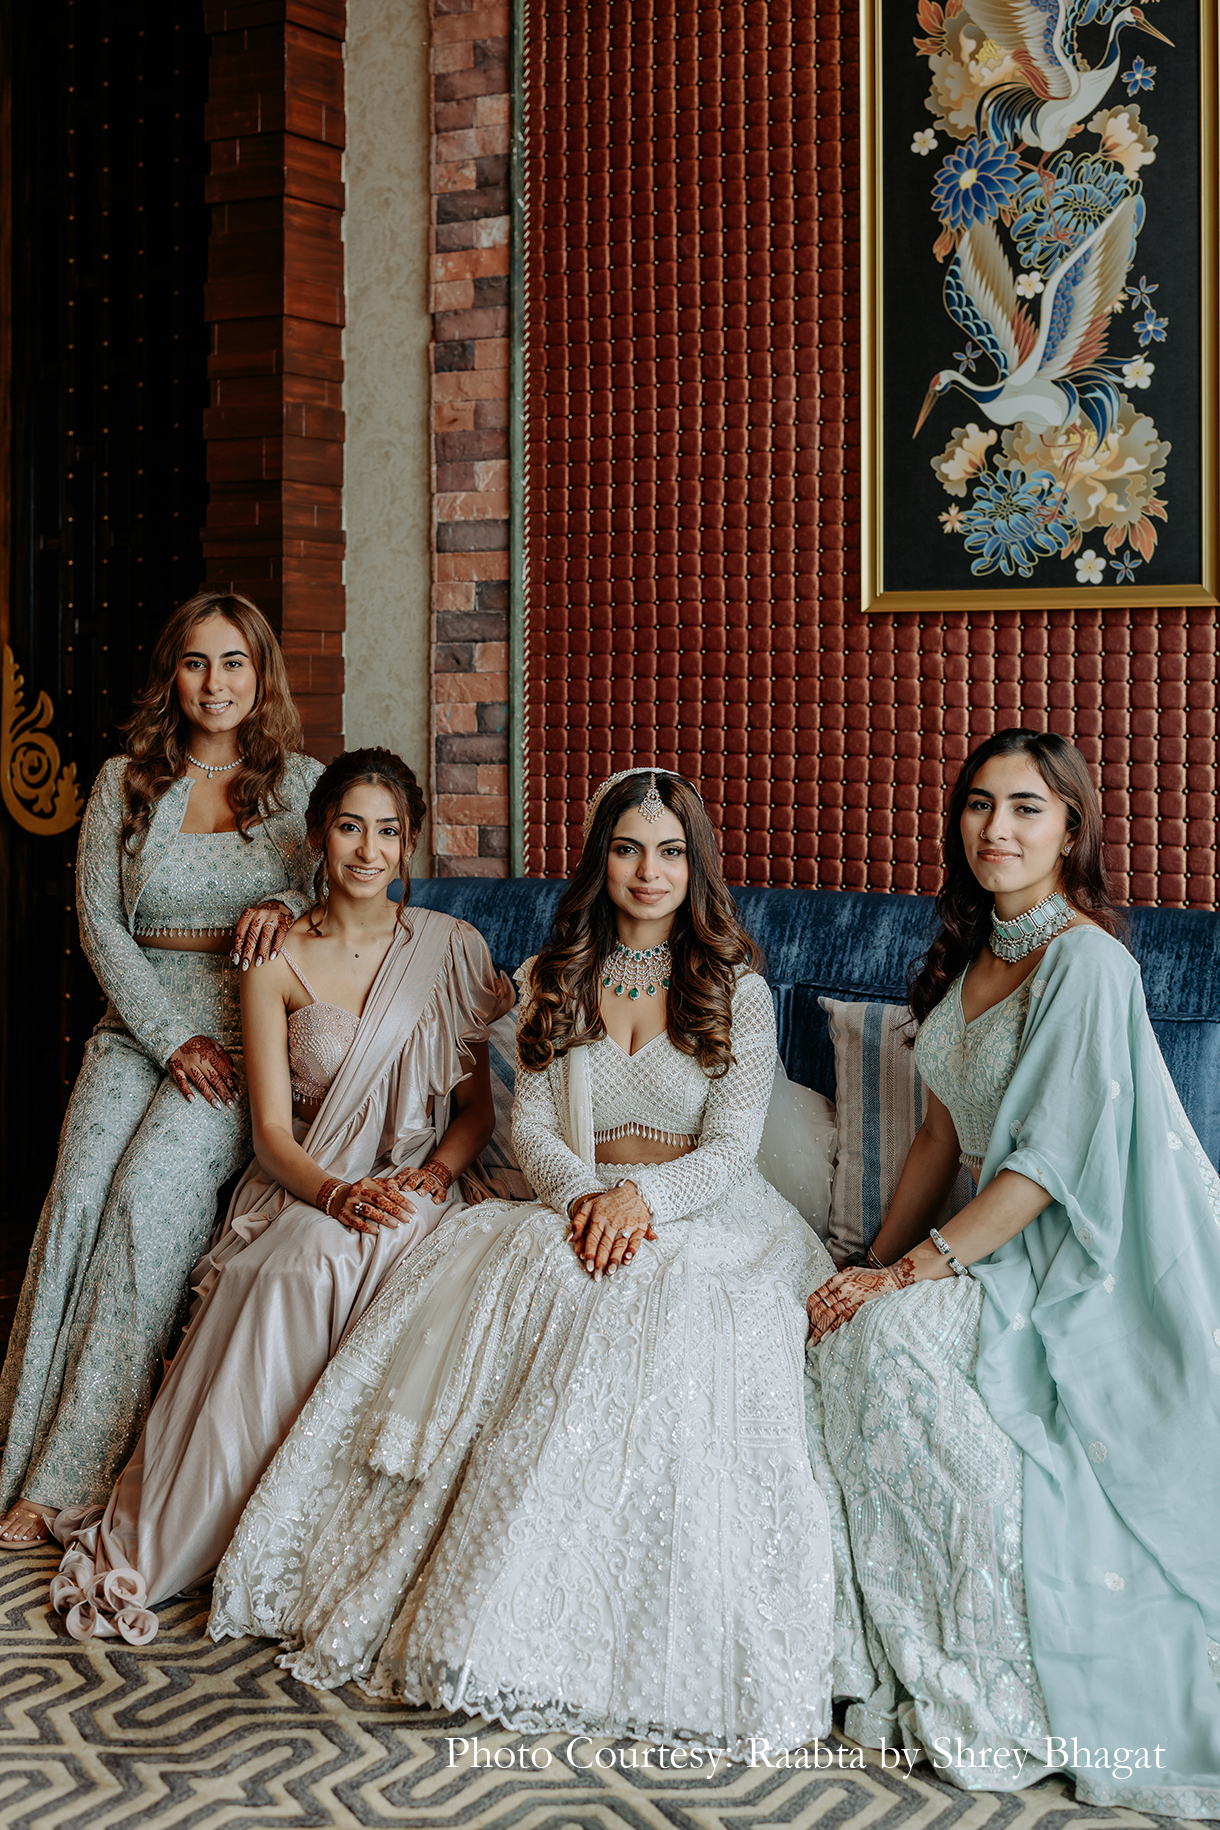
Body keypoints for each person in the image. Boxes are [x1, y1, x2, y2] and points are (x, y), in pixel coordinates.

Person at [207, 766, 836, 1760]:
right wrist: (586, 1197)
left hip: (704, 1212)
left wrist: (642, 1202)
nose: (647, 870)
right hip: (571, 1202)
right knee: (540, 1286)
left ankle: (621, 1626)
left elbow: (730, 1148)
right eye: (626, 848)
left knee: (666, 1306)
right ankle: (483, 1604)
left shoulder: (736, 989)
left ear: (693, 865)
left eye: (669, 851)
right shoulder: (555, 972)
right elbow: (529, 1123)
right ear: (599, 859)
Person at [806, 728, 1220, 1819]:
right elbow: (941, 1141)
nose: (996, 828)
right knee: (828, 1331)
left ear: (1070, 827)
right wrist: (865, 1263)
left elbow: (1040, 1166)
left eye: (1026, 808)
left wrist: (906, 1282)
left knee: (885, 1336)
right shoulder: (971, 952)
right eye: (978, 805)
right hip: (976, 1238)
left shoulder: (1087, 961)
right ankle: (875, 1631)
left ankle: (996, 1667)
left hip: (1072, 1253)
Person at [49, 748, 512, 1636]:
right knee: (286, 1273)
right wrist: (335, 1196)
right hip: (306, 1183)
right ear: (316, 838)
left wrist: (432, 1177)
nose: (367, 851)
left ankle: (322, 1535)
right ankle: (189, 1535)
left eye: (387, 832)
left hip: (420, 1181)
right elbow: (269, 1133)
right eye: (349, 828)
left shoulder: (452, 949)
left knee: (365, 1254)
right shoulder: (272, 958)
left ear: (408, 844)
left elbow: (475, 1114)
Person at [0, 591, 323, 1546]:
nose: (214, 683)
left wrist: (281, 902)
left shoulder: (302, 787)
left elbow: (340, 895)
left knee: (147, 1206)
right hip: (138, 1028)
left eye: (233, 663)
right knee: (78, 1197)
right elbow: (101, 922)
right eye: (195, 662)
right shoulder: (123, 780)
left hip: (237, 1040)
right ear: (171, 675)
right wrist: (161, 1034)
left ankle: (70, 1480)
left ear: (259, 674)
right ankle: (21, 1451)